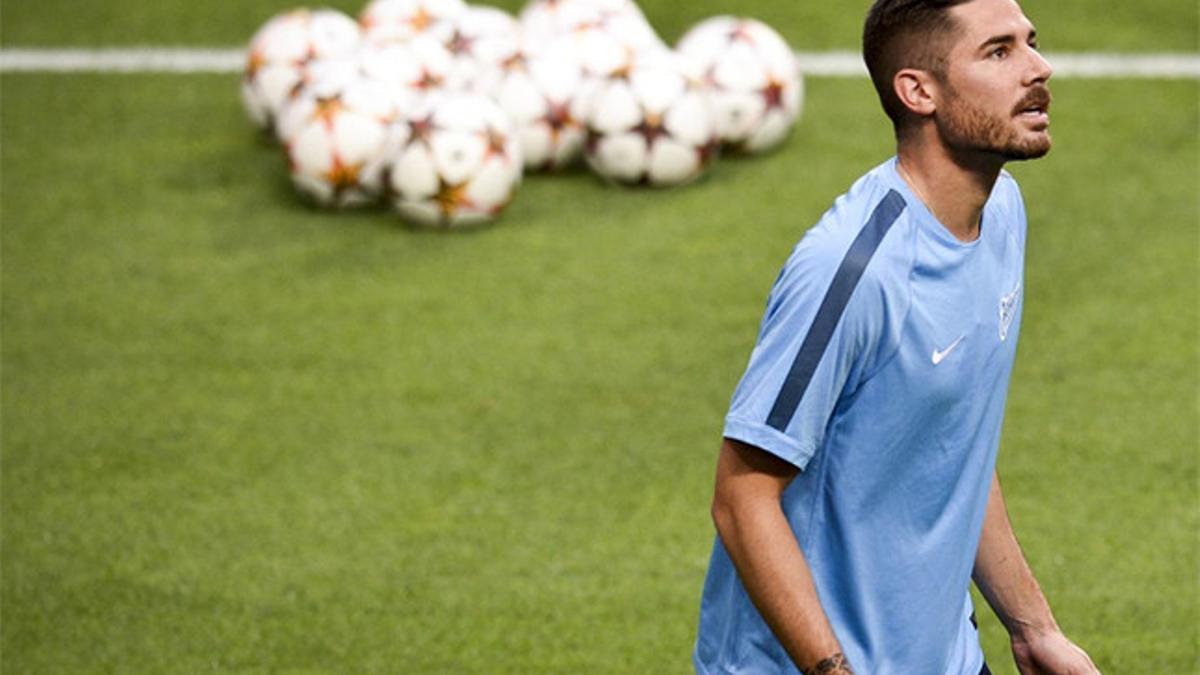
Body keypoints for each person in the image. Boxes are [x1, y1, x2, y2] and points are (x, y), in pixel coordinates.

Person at [692, 1, 1102, 673]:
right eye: (998, 53)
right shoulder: (854, 270)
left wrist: (1033, 628)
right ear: (918, 92)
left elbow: (950, 440)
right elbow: (742, 496)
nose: (1038, 67)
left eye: (1031, 43)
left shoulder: (1001, 214)